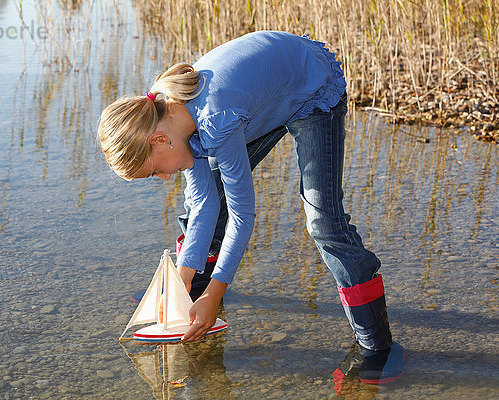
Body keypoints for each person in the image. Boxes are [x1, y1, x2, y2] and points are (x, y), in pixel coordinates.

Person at [97, 30, 403, 384]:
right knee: (209, 189)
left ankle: (378, 345)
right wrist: (182, 279)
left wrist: (217, 293)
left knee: (323, 221)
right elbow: (202, 206)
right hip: (261, 101)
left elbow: (243, 217)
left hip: (311, 87)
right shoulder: (174, 121)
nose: (164, 179)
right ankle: (193, 289)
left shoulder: (215, 119)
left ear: (159, 140)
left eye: (154, 172)